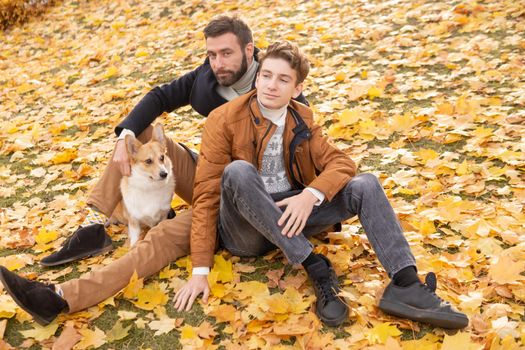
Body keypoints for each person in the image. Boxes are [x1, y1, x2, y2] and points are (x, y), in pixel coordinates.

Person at [0, 15, 305, 326]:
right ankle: (95, 224)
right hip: (208, 171)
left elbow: (301, 166)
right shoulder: (211, 74)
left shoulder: (279, 87)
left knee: (160, 238)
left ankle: (59, 297)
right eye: (211, 55)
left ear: (250, 50)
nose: (217, 63)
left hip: (236, 204)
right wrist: (125, 136)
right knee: (138, 133)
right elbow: (160, 95)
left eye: (226, 53)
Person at [172, 41, 469, 328]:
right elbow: (208, 194)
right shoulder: (223, 119)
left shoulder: (302, 119)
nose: (271, 85)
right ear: (258, 77)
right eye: (266, 75)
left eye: (283, 79)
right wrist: (200, 270)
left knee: (365, 184)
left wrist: (309, 196)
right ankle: (316, 267)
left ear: (297, 89)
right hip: (246, 232)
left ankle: (405, 284)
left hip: (291, 215)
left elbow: (342, 163)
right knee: (238, 171)